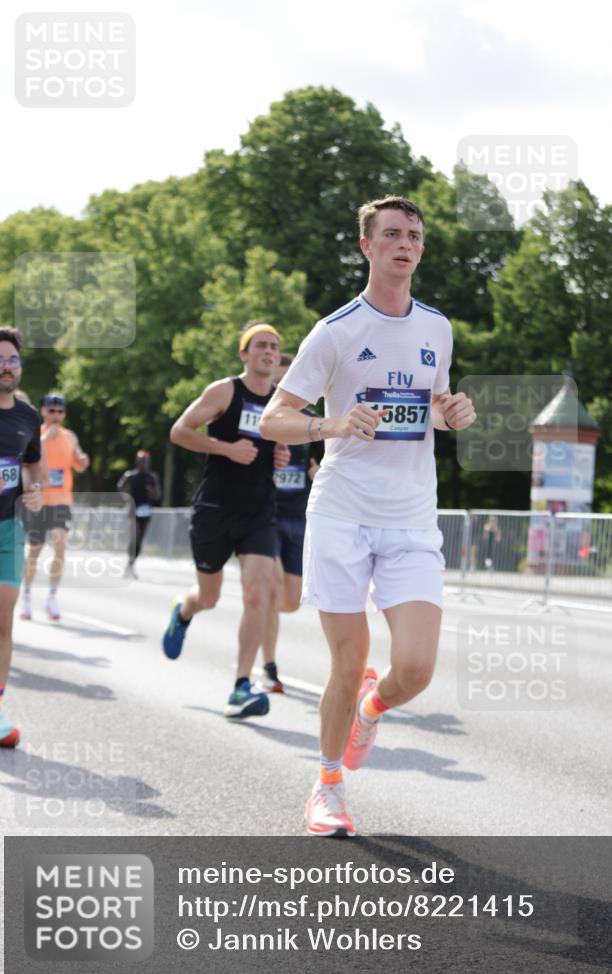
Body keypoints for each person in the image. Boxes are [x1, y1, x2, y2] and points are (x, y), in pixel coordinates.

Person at [260, 196, 476, 836]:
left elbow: (425, 407)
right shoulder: (335, 331)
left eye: (414, 234)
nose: (405, 244)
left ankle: (371, 709)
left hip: (411, 517)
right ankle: (327, 786)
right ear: (367, 246)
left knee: (415, 668)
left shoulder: (437, 327)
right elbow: (275, 417)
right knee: (346, 661)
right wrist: (331, 422)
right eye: (391, 234)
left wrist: (451, 412)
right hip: (343, 513)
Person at [161, 322, 290, 719]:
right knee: (210, 597)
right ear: (245, 354)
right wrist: (225, 449)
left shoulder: (283, 402)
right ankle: (184, 610)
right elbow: (180, 431)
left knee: (257, 594)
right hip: (215, 510)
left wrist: (282, 455)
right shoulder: (224, 391)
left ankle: (240, 686)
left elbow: (286, 444)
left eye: (274, 347)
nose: (269, 352)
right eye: (261, 346)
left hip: (259, 514)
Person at [0, 327, 43, 747]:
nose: (7, 366)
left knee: (1, 618)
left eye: (13, 360)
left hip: (6, 528)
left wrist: (35, 490)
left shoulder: (28, 417)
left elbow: (32, 465)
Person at [260, 352, 323, 693]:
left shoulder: (313, 421)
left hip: (298, 517)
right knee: (269, 592)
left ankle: (264, 616)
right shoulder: (262, 419)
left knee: (290, 601)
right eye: (277, 383)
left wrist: (318, 474)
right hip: (264, 515)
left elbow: (327, 465)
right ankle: (268, 667)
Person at [19, 393, 89, 621]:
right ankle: (27, 595)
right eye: (51, 411)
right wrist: (45, 439)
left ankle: (51, 597)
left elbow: (78, 463)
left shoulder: (70, 436)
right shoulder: (34, 434)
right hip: (39, 501)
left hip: (62, 501)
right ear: (43, 411)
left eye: (60, 411)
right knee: (35, 550)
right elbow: (26, 462)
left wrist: (82, 459)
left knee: (60, 545)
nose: (56, 416)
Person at [117, 450, 162, 577]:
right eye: (141, 461)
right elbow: (119, 486)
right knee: (134, 537)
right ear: (137, 461)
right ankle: (129, 563)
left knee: (140, 541)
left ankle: (131, 564)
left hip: (146, 511)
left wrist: (152, 492)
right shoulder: (130, 475)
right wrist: (125, 496)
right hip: (133, 510)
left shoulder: (152, 477)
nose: (143, 463)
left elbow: (158, 495)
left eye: (145, 461)